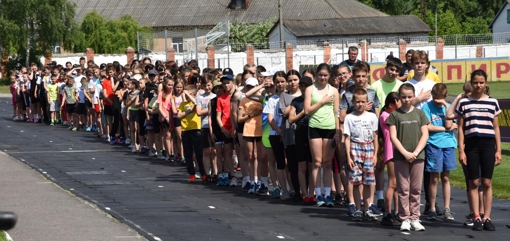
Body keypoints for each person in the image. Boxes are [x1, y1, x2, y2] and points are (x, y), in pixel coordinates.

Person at [446, 69, 501, 231]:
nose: (478, 85)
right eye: (475, 82)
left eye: (481, 82)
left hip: (488, 144)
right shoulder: (464, 103)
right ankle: (476, 216)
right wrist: (461, 150)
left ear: (486, 84)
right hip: (471, 144)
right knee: (473, 181)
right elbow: (461, 129)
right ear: (471, 83)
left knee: (487, 182)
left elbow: (496, 128)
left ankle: (487, 217)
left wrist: (498, 150)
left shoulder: (493, 102)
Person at [386, 83, 429, 232]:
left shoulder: (419, 114)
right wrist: (405, 153)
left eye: (410, 96)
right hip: (400, 156)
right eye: (403, 97)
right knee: (403, 188)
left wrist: (415, 152)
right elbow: (393, 137)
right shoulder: (395, 115)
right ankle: (404, 217)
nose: (406, 99)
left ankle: (415, 217)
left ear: (414, 96)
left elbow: (425, 134)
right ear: (399, 97)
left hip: (418, 156)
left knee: (416, 188)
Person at [369, 58, 403, 211]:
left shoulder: (401, 86)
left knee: (395, 174)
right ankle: (381, 196)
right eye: (391, 69)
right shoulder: (376, 86)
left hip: (397, 129)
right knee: (380, 165)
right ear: (386, 68)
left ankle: (396, 208)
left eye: (397, 71)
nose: (394, 73)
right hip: (381, 127)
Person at [304, 63, 340, 207]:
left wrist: (337, 132)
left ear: (329, 76)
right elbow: (307, 111)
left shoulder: (334, 91)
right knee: (317, 162)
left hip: (330, 127)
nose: (323, 78)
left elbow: (336, 113)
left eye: (325, 75)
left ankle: (327, 194)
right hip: (315, 127)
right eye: (320, 75)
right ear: (316, 75)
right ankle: (318, 194)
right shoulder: (310, 89)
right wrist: (322, 101)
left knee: (327, 163)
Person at [407, 50, 438, 216]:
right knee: (415, 167)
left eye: (422, 63)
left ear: (427, 65)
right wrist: (418, 98)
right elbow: (404, 104)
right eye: (416, 63)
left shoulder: (432, 85)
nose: (419, 66)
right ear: (412, 65)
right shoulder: (409, 84)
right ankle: (413, 204)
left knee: (431, 169)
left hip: (431, 129)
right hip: (414, 127)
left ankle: (431, 203)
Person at [421, 83, 457, 221]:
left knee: (446, 178)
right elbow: (428, 127)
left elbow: (451, 124)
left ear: (445, 97)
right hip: (434, 144)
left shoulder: (449, 107)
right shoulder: (427, 107)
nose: (437, 101)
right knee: (434, 178)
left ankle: (447, 208)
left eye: (440, 98)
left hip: (448, 144)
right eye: (435, 98)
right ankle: (432, 208)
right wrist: (445, 129)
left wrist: (447, 106)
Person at [344, 88, 379, 221]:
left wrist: (375, 154)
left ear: (367, 102)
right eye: (357, 102)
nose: (360, 104)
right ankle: (357, 208)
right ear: (353, 102)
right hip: (355, 148)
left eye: (363, 102)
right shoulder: (349, 117)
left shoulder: (372, 116)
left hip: (368, 147)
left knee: (368, 180)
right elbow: (347, 138)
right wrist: (348, 156)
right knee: (356, 180)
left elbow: (375, 136)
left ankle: (367, 206)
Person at [289, 76, 314, 204]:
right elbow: (291, 119)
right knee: (302, 165)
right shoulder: (296, 101)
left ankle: (312, 193)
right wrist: (303, 112)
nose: (304, 88)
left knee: (312, 165)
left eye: (306, 86)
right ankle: (304, 193)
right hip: (300, 131)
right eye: (302, 85)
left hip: (313, 131)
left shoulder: (315, 99)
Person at [378, 92, 402, 226]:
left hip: (398, 150)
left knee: (398, 185)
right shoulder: (385, 116)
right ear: (391, 105)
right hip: (391, 151)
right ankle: (387, 212)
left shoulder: (394, 114)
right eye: (398, 102)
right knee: (392, 183)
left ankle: (397, 211)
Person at [239, 78, 264, 194]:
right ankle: (251, 180)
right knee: (250, 156)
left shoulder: (262, 98)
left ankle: (259, 181)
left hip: (260, 129)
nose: (251, 89)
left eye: (253, 86)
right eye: (249, 86)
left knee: (258, 156)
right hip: (249, 129)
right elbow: (240, 119)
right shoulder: (244, 100)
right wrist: (251, 114)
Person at [177, 85, 206, 182]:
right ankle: (191, 173)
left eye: (187, 93)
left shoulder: (196, 102)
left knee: (199, 153)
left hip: (196, 129)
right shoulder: (183, 104)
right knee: (188, 153)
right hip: (185, 130)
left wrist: (189, 95)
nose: (184, 95)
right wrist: (189, 111)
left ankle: (203, 173)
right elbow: (179, 115)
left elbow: (195, 103)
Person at [215, 74, 236, 186]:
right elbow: (218, 116)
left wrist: (235, 128)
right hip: (226, 129)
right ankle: (231, 175)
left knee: (241, 153)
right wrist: (223, 129)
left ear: (233, 82)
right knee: (227, 152)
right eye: (224, 83)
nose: (226, 85)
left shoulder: (237, 95)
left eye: (228, 82)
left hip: (236, 128)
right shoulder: (220, 98)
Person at [196, 76, 217, 182]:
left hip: (215, 126)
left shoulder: (216, 96)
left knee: (214, 151)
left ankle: (215, 172)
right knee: (206, 151)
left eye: (208, 85)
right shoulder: (200, 97)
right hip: (204, 125)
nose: (207, 87)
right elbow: (198, 112)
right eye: (204, 85)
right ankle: (206, 173)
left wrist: (211, 110)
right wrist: (210, 109)